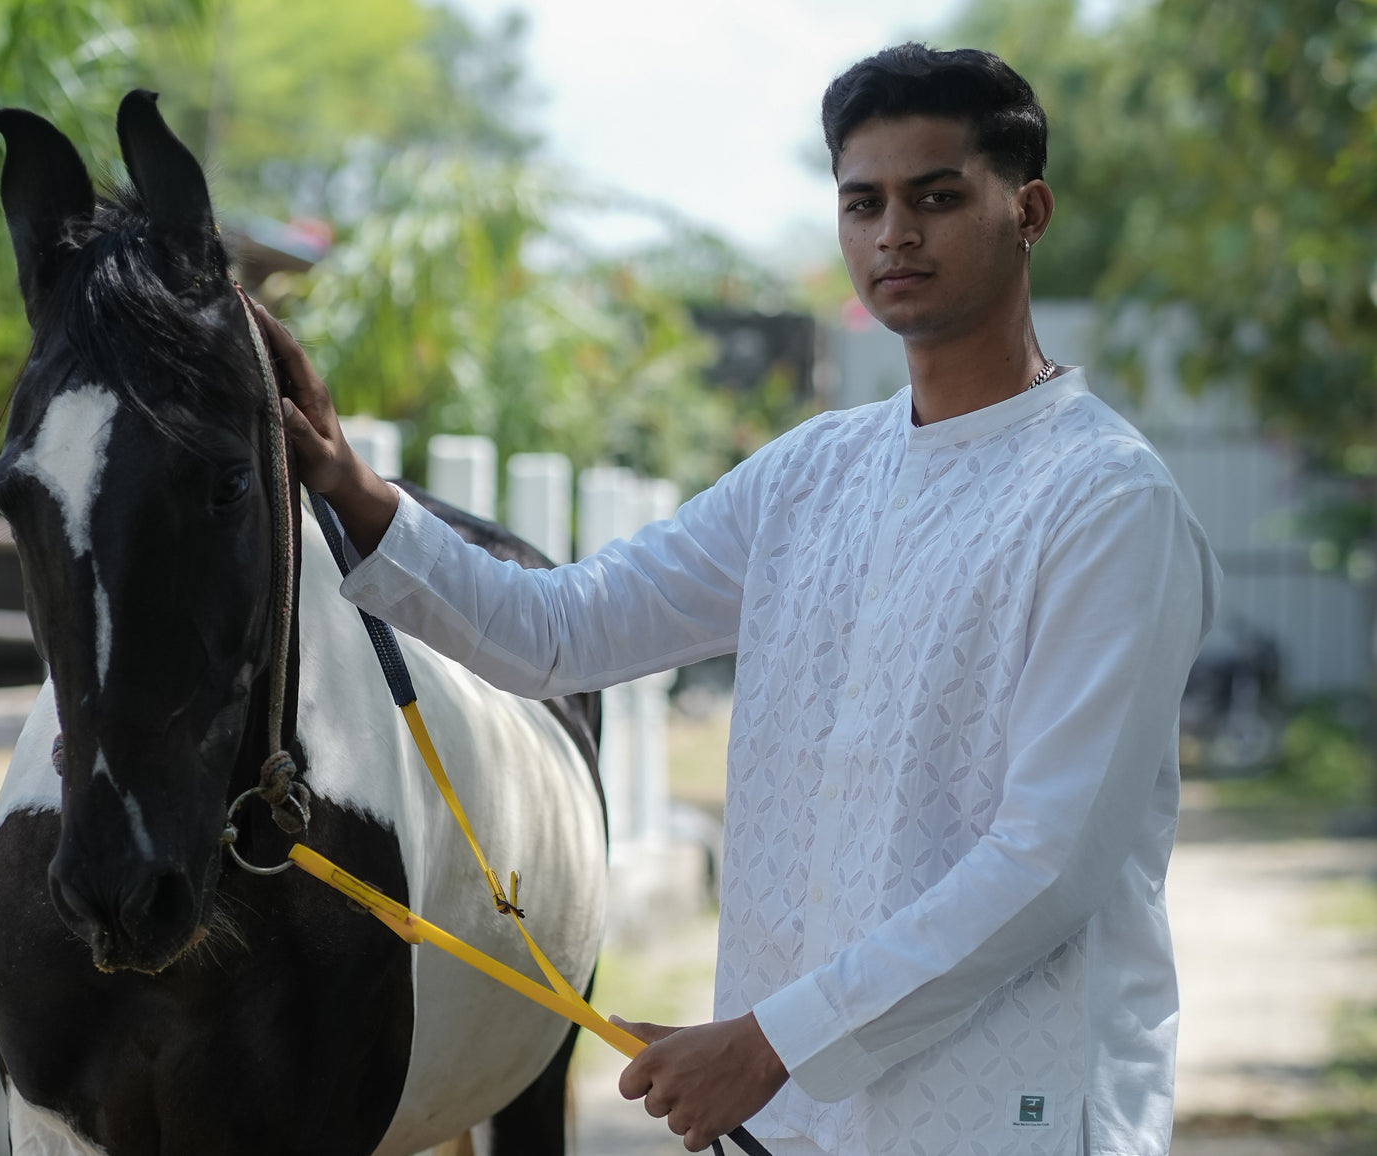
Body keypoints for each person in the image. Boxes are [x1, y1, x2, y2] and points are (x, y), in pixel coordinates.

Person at [259, 42, 1220, 1156]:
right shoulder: (809, 476)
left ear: (1028, 210)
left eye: (935, 197)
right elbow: (562, 628)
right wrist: (351, 487)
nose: (891, 234)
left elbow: (1045, 862)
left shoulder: (1104, 500)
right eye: (862, 203)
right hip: (793, 1122)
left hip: (1011, 1116)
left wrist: (766, 1043)